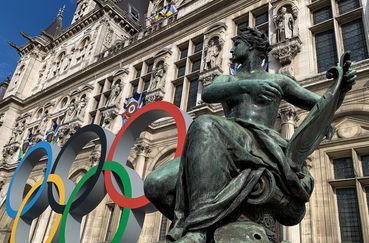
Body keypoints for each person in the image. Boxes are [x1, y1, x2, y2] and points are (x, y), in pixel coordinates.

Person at [144, 27, 356, 242]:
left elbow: (319, 104)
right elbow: (208, 94)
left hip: (259, 141)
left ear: (251, 47)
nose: (231, 50)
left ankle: (198, 230)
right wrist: (249, 86)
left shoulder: (279, 81)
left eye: (237, 44)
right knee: (155, 184)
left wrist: (341, 87)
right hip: (225, 138)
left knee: (204, 123)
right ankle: (213, 221)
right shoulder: (226, 81)